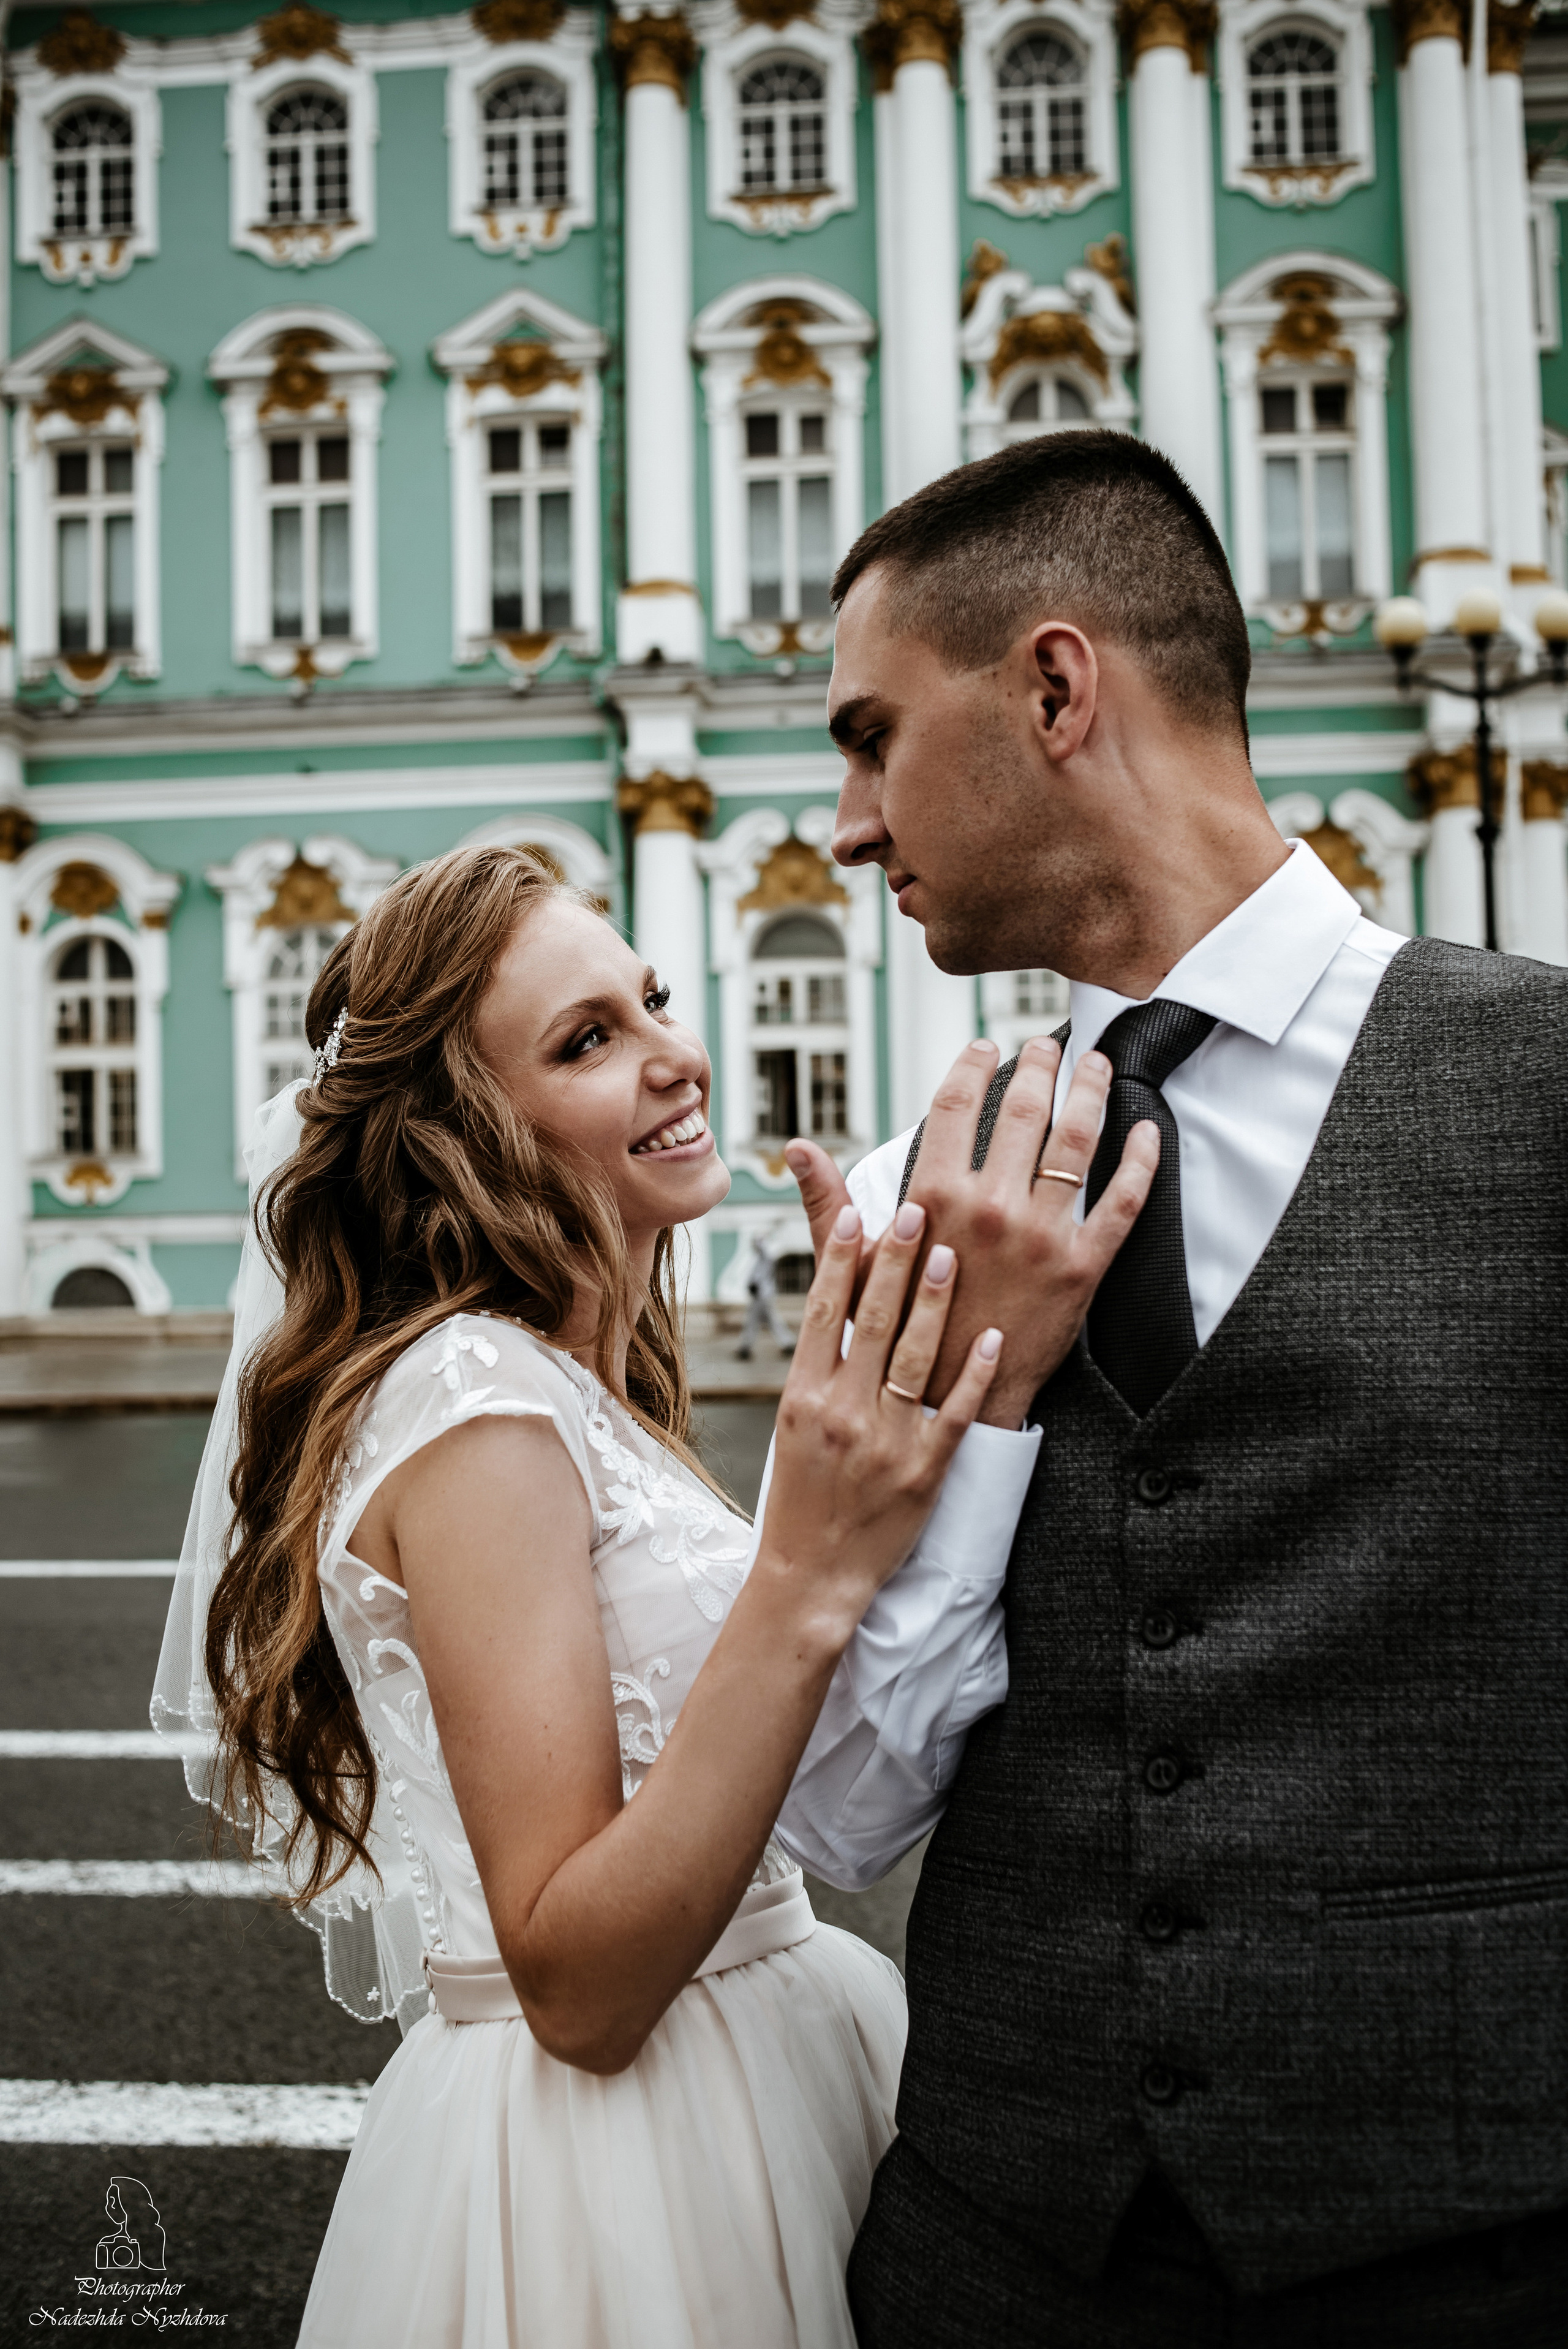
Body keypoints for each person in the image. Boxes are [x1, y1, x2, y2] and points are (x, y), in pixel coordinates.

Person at [774, 429, 1568, 2345]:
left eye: (874, 738)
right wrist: (966, 1414)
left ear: (1055, 689)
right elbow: (845, 1816)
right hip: (994, 2257)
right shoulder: (909, 1189)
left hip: (1483, 2254)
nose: (850, 827)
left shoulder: (1547, 1093)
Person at [153, 841, 1155, 2349]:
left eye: (652, 999)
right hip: (625, 2157)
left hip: (767, 2048)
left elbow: (811, 1775)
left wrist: (970, 1381)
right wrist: (806, 1562)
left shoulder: (575, 1385)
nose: (674, 1055)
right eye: (586, 1041)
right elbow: (577, 1986)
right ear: (463, 1134)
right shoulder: (475, 1405)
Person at [735, 1227, 794, 1360]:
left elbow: (763, 1249)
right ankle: (787, 1343)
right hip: (760, 1295)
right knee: (769, 1320)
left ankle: (746, 1347)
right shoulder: (758, 1259)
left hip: (763, 1295)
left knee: (755, 1321)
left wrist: (762, 1238)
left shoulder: (766, 1257)